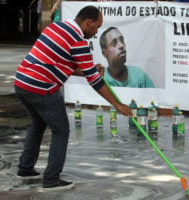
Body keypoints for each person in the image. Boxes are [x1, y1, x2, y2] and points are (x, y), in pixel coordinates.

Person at [15, 5, 132, 191]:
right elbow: (95, 81)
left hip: (22, 82)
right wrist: (117, 104)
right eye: (96, 27)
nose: (95, 33)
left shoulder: (57, 26)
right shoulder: (78, 40)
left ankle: (25, 169)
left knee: (38, 124)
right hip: (41, 87)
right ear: (88, 22)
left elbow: (60, 63)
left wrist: (88, 70)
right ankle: (51, 180)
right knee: (61, 130)